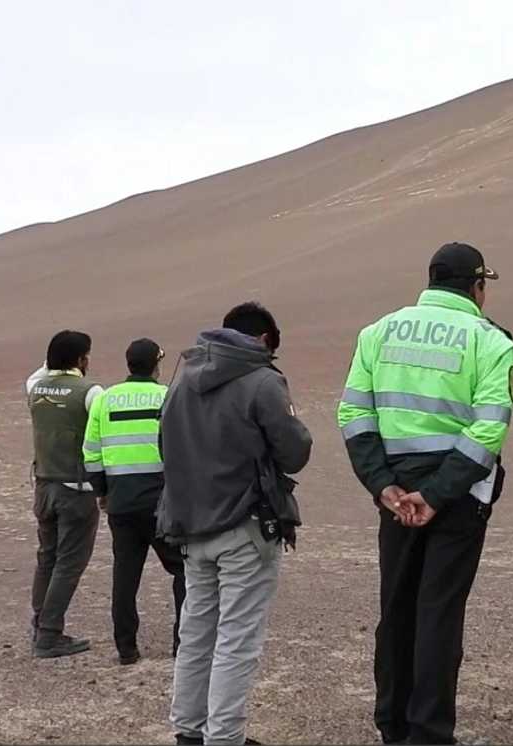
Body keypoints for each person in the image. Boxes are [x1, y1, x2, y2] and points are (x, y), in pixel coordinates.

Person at [337, 242, 513, 745]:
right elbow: (489, 429)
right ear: (477, 286)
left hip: (395, 492)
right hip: (457, 493)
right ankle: (430, 732)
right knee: (439, 612)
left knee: (396, 608)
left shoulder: (376, 333)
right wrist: (436, 495)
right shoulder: (490, 341)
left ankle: (393, 725)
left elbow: (353, 414)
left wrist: (383, 485)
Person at [158, 302, 312, 746]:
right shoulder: (263, 381)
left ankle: (189, 729)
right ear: (264, 340)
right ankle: (223, 736)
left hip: (190, 525)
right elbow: (295, 450)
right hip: (245, 526)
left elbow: (163, 444)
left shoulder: (180, 379)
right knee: (237, 638)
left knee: (196, 631)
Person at [82, 338, 184, 666]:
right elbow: (182, 449)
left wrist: (102, 491)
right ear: (155, 365)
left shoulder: (106, 399)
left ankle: (126, 647)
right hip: (162, 502)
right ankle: (182, 643)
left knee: (125, 576)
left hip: (121, 502)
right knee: (184, 570)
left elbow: (91, 452)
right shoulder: (168, 396)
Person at [26, 330, 104, 658]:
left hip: (44, 485)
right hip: (76, 489)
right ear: (81, 359)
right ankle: (49, 634)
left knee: (47, 557)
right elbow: (101, 436)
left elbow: (41, 372)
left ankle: (40, 622)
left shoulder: (35, 386)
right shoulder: (91, 392)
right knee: (69, 563)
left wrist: (56, 358)